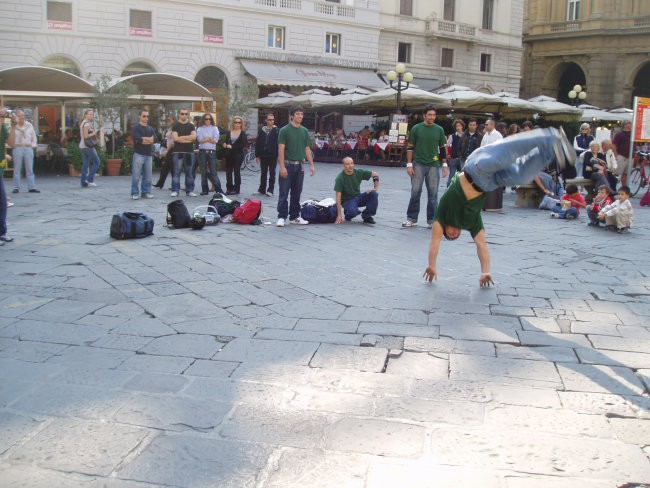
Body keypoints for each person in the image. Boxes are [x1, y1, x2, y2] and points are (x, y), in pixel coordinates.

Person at [423, 126, 575, 286]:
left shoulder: (442, 215)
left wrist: (432, 265)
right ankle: (550, 151)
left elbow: (435, 243)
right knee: (522, 176)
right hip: (491, 183)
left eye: (450, 233)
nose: (453, 232)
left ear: (445, 228)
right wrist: (485, 272)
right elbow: (481, 246)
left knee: (507, 154)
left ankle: (551, 136)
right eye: (456, 235)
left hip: (475, 170)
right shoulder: (471, 223)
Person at [402, 105, 448, 228]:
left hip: (434, 164)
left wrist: (444, 164)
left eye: (434, 115)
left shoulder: (439, 130)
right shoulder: (416, 129)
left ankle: (432, 220)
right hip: (418, 164)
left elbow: (443, 148)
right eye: (429, 115)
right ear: (424, 116)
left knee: (433, 194)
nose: (432, 117)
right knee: (415, 192)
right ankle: (412, 219)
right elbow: (410, 147)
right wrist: (409, 164)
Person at [276, 105, 315, 227]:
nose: (300, 116)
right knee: (283, 193)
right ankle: (281, 217)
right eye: (297, 114)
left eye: (302, 114)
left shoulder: (304, 131)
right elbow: (281, 149)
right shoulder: (284, 130)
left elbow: (307, 149)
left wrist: (312, 165)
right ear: (292, 115)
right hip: (287, 165)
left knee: (296, 193)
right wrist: (282, 167)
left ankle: (294, 216)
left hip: (300, 166)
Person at [334, 157, 379, 225]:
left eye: (352, 163)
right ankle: (348, 213)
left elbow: (375, 174)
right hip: (347, 200)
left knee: (373, 193)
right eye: (348, 164)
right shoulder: (340, 178)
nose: (350, 166)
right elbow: (338, 197)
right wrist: (339, 215)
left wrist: (375, 188)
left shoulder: (358, 172)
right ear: (344, 166)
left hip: (358, 197)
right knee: (353, 212)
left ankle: (367, 216)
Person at [8, 109, 39, 193]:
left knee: (30, 168)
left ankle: (31, 187)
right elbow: (9, 137)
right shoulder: (13, 126)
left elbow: (34, 137)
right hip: (17, 147)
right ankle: (16, 187)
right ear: (16, 117)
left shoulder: (29, 125)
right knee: (17, 168)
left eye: (23, 116)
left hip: (28, 147)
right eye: (19, 116)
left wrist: (32, 146)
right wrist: (12, 145)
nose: (22, 117)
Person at [130, 109, 158, 200]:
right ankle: (135, 193)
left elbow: (156, 139)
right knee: (136, 175)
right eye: (144, 116)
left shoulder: (150, 128)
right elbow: (138, 140)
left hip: (148, 154)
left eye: (147, 116)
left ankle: (146, 192)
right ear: (139, 116)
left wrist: (146, 140)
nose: (146, 118)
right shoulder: (136, 128)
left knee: (148, 176)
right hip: (138, 154)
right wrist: (149, 140)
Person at [170, 108, 197, 198]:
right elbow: (175, 138)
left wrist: (182, 138)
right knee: (176, 172)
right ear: (179, 114)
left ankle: (189, 190)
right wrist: (188, 139)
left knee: (189, 173)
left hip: (189, 153)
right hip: (178, 152)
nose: (184, 115)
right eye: (182, 114)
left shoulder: (191, 126)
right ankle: (175, 190)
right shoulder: (175, 125)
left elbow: (194, 137)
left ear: (188, 115)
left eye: (186, 114)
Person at [196, 113, 223, 196]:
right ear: (203, 120)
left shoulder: (214, 128)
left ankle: (219, 190)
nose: (208, 120)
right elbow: (200, 140)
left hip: (212, 152)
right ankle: (205, 190)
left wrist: (206, 139)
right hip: (202, 151)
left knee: (213, 172)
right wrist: (209, 139)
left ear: (211, 120)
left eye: (209, 119)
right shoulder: (200, 128)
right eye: (206, 119)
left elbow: (215, 140)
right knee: (203, 172)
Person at [255, 113, 279, 196]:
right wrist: (257, 155)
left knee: (272, 173)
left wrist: (279, 155)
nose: (271, 121)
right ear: (266, 120)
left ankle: (270, 190)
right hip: (263, 155)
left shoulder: (276, 130)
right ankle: (262, 189)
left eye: (273, 119)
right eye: (269, 119)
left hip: (273, 155)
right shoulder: (262, 130)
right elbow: (258, 143)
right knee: (263, 173)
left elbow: (279, 144)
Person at [223, 116, 247, 195]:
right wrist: (225, 144)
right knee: (228, 172)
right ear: (233, 123)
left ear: (241, 124)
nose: (237, 124)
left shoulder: (242, 133)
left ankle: (236, 189)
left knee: (237, 172)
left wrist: (232, 146)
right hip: (229, 155)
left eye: (239, 122)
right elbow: (226, 141)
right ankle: (229, 188)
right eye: (235, 122)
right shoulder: (229, 132)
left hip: (238, 155)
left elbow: (243, 144)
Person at [0, 107, 13, 244]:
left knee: (3, 202)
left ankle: (2, 232)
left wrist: (14, 125)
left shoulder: (3, 127)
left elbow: (12, 143)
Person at [78, 109, 101, 188]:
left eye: (92, 114)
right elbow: (85, 136)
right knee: (97, 161)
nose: (91, 116)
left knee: (85, 164)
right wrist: (93, 133)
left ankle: (83, 182)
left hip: (82, 146)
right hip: (87, 146)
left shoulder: (83, 123)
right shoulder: (86, 124)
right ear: (85, 115)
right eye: (90, 114)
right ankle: (89, 180)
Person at [153, 115, 175, 189]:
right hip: (168, 148)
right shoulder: (169, 128)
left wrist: (166, 151)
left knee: (171, 167)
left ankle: (174, 185)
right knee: (165, 167)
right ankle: (160, 183)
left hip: (171, 149)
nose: (169, 121)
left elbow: (172, 142)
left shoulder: (175, 129)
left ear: (174, 120)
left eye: (170, 120)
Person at [446, 119, 465, 187]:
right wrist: (447, 154)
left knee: (462, 177)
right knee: (451, 175)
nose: (458, 127)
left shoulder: (465, 135)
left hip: (462, 159)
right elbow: (447, 145)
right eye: (456, 126)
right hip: (453, 158)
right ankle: (448, 190)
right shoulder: (452, 136)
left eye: (459, 126)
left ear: (462, 126)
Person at [612, 121, 632, 185]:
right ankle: (613, 187)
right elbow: (614, 145)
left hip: (631, 156)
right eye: (629, 123)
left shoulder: (633, 134)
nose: (631, 124)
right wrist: (616, 156)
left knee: (626, 174)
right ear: (625, 125)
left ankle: (624, 188)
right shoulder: (619, 134)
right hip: (621, 156)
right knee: (617, 173)